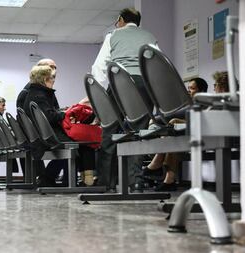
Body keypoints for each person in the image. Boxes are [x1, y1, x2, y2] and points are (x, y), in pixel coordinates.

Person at [91, 8, 158, 192]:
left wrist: (102, 96)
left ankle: (107, 183)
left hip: (120, 82)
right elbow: (156, 63)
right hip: (144, 85)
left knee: (110, 130)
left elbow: (99, 67)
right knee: (139, 132)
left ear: (120, 20)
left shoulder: (113, 35)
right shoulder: (150, 36)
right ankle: (135, 181)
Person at [23, 65, 95, 186]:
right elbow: (49, 116)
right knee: (87, 141)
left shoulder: (34, 93)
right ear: (45, 79)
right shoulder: (40, 95)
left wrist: (63, 113)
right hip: (50, 136)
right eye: (52, 78)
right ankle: (87, 180)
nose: (53, 81)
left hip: (41, 136)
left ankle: (51, 178)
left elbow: (48, 113)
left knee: (81, 142)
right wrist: (65, 114)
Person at [142, 78, 209, 191]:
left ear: (201, 90)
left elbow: (177, 115)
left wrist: (155, 119)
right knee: (172, 135)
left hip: (200, 140)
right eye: (188, 88)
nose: (189, 91)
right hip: (187, 138)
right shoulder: (191, 104)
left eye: (192, 88)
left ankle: (158, 169)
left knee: (173, 134)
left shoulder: (201, 103)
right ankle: (167, 178)